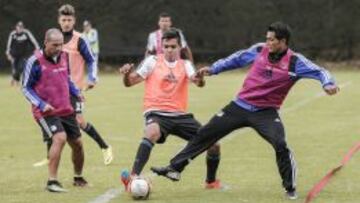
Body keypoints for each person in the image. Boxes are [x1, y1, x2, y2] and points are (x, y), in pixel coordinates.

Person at [151, 22, 340, 200]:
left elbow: (320, 71)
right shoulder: (259, 50)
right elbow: (236, 59)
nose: (267, 43)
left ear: (283, 42)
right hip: (239, 106)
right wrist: (214, 69)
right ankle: (174, 168)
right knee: (205, 134)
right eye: (267, 38)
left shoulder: (295, 62)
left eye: (272, 40)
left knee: (280, 143)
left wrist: (328, 83)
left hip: (266, 112)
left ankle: (290, 188)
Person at [118, 29, 222, 190]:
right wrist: (126, 74)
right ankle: (132, 177)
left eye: (173, 46)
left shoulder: (186, 64)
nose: (169, 50)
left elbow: (198, 82)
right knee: (151, 132)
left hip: (181, 116)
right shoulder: (152, 61)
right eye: (166, 46)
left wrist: (200, 78)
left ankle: (211, 182)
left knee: (214, 144)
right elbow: (130, 82)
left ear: (180, 47)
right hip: (157, 113)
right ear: (162, 47)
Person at [33, 4, 112, 167]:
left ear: (74, 20)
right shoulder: (54, 39)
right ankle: (49, 157)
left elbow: (91, 59)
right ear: (59, 20)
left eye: (69, 19)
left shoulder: (80, 39)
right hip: (55, 90)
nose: (67, 23)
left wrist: (92, 77)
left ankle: (105, 147)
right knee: (51, 117)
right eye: (64, 19)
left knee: (79, 121)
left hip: (74, 90)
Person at [22, 28, 88, 192]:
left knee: (78, 144)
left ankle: (78, 178)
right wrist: (41, 104)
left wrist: (76, 92)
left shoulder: (64, 56)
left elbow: (67, 79)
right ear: (46, 43)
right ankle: (52, 182)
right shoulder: (34, 61)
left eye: (61, 44)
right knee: (59, 138)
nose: (59, 48)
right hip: (45, 111)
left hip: (65, 108)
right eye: (55, 45)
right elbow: (25, 88)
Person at [6, 21, 39, 86]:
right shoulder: (13, 34)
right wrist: (8, 53)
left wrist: (37, 48)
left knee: (20, 67)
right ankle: (15, 80)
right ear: (16, 27)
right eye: (18, 27)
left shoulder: (26, 33)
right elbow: (9, 45)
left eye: (21, 27)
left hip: (24, 54)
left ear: (23, 27)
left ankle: (15, 79)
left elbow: (33, 41)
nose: (20, 29)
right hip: (14, 54)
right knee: (14, 68)